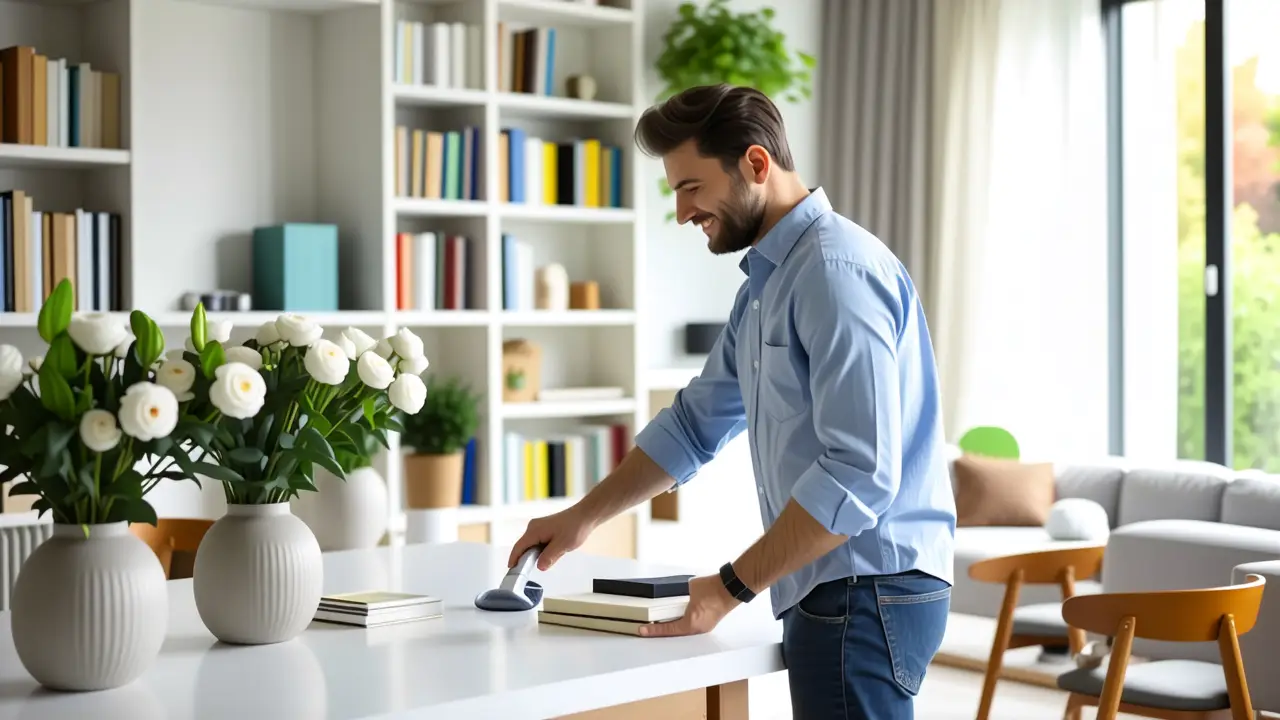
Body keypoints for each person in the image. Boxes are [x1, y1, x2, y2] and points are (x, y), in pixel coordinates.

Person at [507, 83, 957, 719]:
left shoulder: (835, 271)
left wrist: (728, 587)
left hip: (866, 587)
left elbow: (859, 473)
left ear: (754, 164)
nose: (684, 211)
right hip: (835, 585)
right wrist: (582, 518)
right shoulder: (767, 287)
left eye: (692, 187)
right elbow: (694, 427)